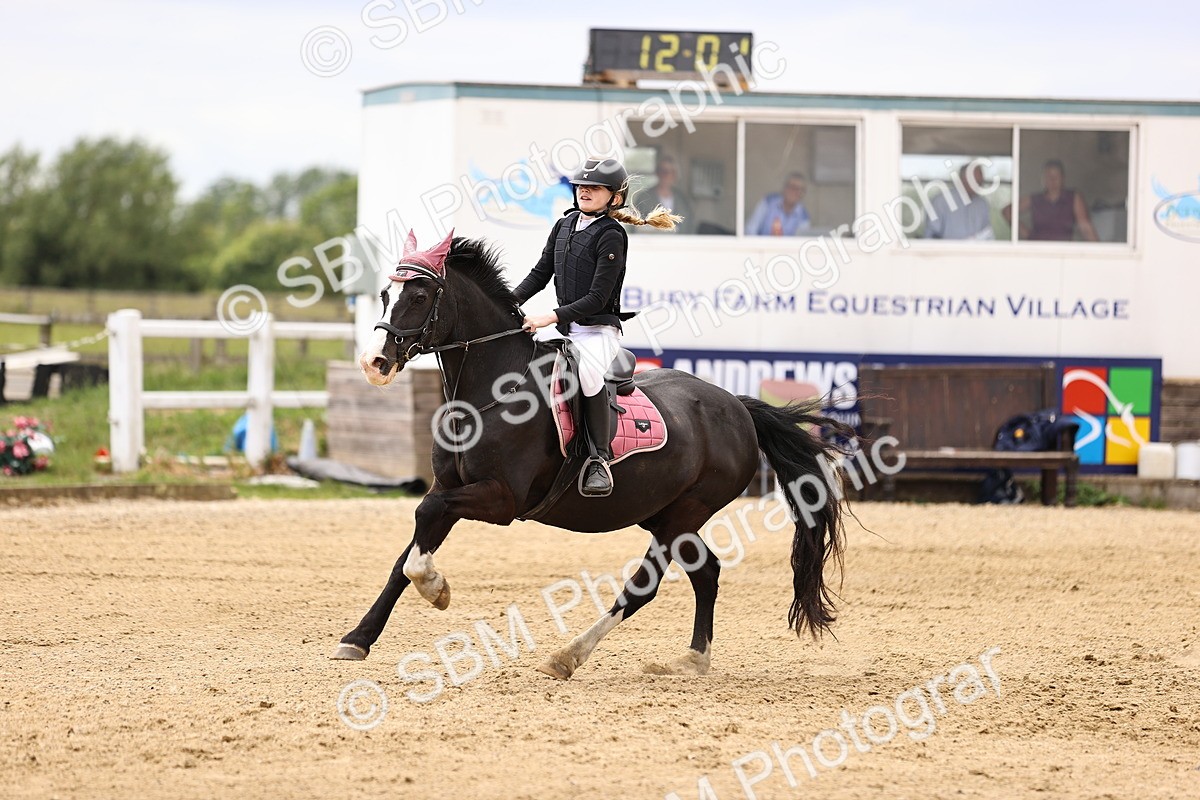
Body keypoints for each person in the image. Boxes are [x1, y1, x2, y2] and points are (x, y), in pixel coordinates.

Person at [513, 156, 680, 496]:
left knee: (588, 374)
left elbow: (597, 298)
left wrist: (550, 316)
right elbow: (540, 273)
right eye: (581, 186)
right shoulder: (563, 225)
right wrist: (508, 302)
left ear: (614, 197)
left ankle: (598, 459)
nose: (585, 191)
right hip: (564, 329)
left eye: (595, 187)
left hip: (597, 331)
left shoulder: (612, 235)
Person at [1003, 159, 1099, 241]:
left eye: (1056, 176)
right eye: (1049, 176)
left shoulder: (1073, 198)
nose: (1053, 180)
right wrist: (1027, 234)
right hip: (1038, 250)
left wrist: (1100, 251)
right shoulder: (1035, 199)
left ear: (1063, 178)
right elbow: (1007, 211)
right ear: (1043, 179)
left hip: (1063, 250)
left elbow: (1085, 228)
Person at [925, 163, 994, 240]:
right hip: (947, 247)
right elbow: (932, 236)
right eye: (976, 181)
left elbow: (987, 234)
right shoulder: (941, 201)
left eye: (980, 182)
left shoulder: (982, 205)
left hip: (976, 248)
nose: (979, 186)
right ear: (963, 180)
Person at [633, 154, 693, 234]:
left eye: (670, 172)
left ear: (675, 175)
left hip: (679, 241)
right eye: (663, 171)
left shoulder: (682, 200)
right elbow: (634, 225)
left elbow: (689, 226)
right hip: (650, 241)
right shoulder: (643, 198)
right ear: (657, 173)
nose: (666, 175)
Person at [746, 171, 811, 236]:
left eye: (798, 189)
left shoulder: (803, 215)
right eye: (792, 187)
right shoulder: (768, 202)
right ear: (784, 188)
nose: (794, 192)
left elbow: (802, 239)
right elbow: (750, 230)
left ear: (803, 193)